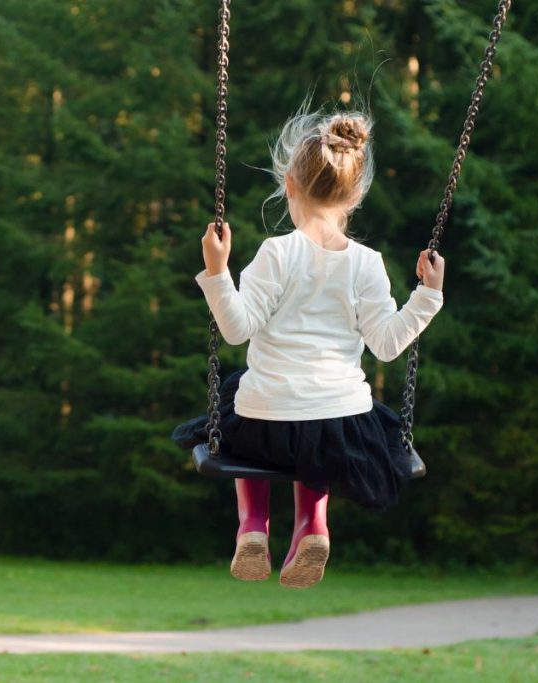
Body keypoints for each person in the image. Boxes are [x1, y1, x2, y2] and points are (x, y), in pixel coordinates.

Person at [172, 103, 445, 589]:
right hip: (339, 426)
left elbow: (236, 329)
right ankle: (313, 526)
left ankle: (253, 526)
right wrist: (427, 295)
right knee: (318, 434)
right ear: (355, 194)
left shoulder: (276, 253)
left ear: (289, 186)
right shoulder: (367, 263)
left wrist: (217, 272)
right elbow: (386, 345)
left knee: (241, 401)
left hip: (265, 422)